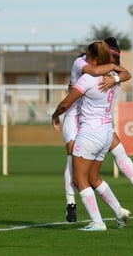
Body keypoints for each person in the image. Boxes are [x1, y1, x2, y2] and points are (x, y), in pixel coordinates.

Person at [63, 37, 133, 223]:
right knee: (73, 160)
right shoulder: (83, 62)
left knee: (112, 156)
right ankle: (70, 202)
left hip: (94, 120)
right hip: (76, 113)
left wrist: (114, 75)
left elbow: (125, 74)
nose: (112, 61)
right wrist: (113, 70)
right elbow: (94, 71)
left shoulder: (103, 68)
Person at [52, 40, 129, 231]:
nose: (84, 58)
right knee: (94, 177)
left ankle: (97, 222)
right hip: (106, 133)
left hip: (89, 133)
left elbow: (66, 103)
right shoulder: (113, 78)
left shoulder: (87, 78)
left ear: (94, 58)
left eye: (87, 55)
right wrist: (114, 70)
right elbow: (125, 73)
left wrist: (55, 115)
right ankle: (119, 210)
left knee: (80, 179)